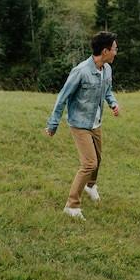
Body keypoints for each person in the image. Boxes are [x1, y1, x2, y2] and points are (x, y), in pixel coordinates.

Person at [44, 31, 120, 220]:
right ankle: (72, 206)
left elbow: (107, 90)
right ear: (105, 51)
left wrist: (113, 103)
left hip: (96, 122)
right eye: (114, 49)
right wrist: (53, 124)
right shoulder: (81, 71)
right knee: (89, 163)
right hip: (79, 124)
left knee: (98, 160)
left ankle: (90, 186)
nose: (116, 52)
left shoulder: (107, 69)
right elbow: (62, 97)